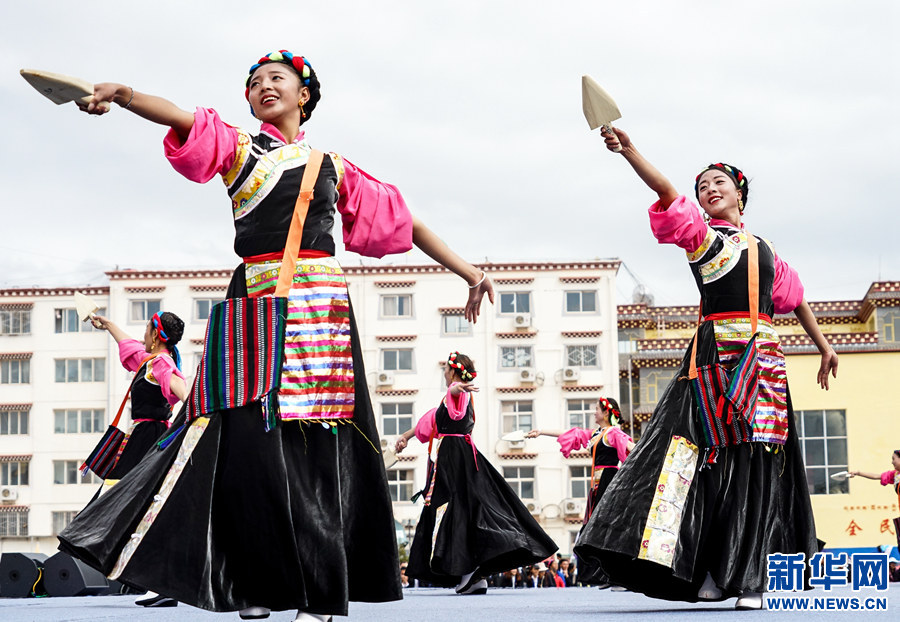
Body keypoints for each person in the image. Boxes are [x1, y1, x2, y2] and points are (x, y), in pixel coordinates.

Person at [56, 50, 493, 622]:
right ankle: (255, 587)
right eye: (255, 81)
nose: (264, 86)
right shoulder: (240, 148)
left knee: (319, 450)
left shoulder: (332, 166)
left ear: (303, 94)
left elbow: (406, 225)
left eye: (277, 79)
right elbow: (184, 120)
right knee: (243, 449)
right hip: (252, 309)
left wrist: (469, 271)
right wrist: (125, 94)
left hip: (321, 312)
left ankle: (318, 593)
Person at [574, 127, 838, 610]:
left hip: (764, 364)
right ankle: (708, 570)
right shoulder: (705, 239)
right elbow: (665, 192)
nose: (709, 190)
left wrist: (825, 347)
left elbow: (794, 298)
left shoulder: (767, 250)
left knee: (759, 465)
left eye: (718, 182)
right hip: (713, 361)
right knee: (699, 459)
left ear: (740, 192)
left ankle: (748, 576)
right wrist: (630, 150)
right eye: (702, 187)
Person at [395, 352, 557, 596]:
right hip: (454, 457)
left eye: (446, 370)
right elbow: (428, 422)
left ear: (454, 372)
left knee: (455, 511)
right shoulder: (447, 399)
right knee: (458, 511)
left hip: (455, 459)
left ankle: (470, 573)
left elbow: (457, 408)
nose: (444, 374)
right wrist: (405, 437)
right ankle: (471, 576)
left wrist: (456, 390)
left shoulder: (459, 395)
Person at [89, 312, 188, 609]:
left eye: (146, 329)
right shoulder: (149, 360)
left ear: (156, 336)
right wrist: (107, 324)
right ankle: (151, 580)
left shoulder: (161, 363)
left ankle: (156, 582)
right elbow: (129, 345)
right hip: (142, 438)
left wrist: (188, 428)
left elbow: (186, 394)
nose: (142, 335)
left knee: (133, 505)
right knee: (133, 506)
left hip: (151, 439)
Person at [527, 396, 634, 586]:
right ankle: (605, 574)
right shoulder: (597, 434)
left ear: (607, 412)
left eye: (597, 409)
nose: (594, 412)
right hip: (597, 484)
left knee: (606, 527)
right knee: (595, 528)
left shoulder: (613, 433)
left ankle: (615, 574)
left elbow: (632, 449)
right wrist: (542, 432)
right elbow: (572, 433)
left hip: (609, 481)